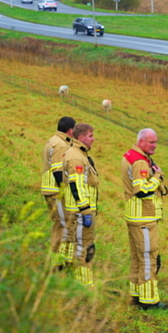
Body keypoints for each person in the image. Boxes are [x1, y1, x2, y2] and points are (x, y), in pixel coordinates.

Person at [121, 128, 168, 310]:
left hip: (134, 215)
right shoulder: (140, 162)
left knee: (137, 257)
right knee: (149, 258)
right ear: (141, 141)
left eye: (156, 142)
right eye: (151, 142)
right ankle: (149, 301)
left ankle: (135, 294)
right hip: (144, 217)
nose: (154, 145)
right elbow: (141, 191)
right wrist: (157, 177)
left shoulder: (130, 155)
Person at [63, 123, 99, 288]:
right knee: (84, 246)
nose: (93, 139)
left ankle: (69, 276)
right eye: (90, 136)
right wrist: (85, 210)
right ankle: (84, 284)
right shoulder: (77, 157)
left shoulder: (79, 153)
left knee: (76, 243)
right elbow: (76, 185)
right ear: (81, 137)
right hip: (80, 211)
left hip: (77, 209)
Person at [41, 116, 75, 270]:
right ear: (70, 130)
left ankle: (60, 258)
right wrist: (65, 190)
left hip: (52, 189)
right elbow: (57, 170)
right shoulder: (61, 145)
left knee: (62, 223)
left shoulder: (53, 140)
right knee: (62, 224)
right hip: (56, 191)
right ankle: (56, 261)